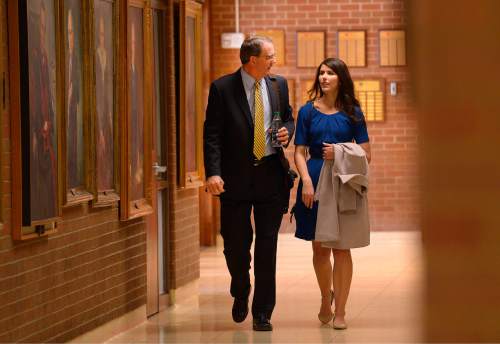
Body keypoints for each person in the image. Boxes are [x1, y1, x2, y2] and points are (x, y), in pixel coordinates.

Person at [203, 36, 295, 331]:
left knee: (268, 245)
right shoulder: (222, 88)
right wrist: (213, 172)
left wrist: (286, 132)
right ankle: (240, 290)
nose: (274, 61)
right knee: (236, 245)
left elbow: (288, 119)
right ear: (252, 60)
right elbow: (212, 134)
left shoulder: (278, 85)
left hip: (270, 174)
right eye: (270, 56)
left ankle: (263, 312)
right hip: (234, 179)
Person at [293, 58, 371, 329]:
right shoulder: (307, 112)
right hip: (313, 180)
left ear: (341, 78)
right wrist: (305, 182)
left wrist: (338, 151)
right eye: (321, 73)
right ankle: (326, 298)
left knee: (341, 248)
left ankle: (342, 311)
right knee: (319, 248)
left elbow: (366, 153)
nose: (324, 77)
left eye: (330, 73)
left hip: (342, 183)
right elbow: (299, 151)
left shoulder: (353, 112)